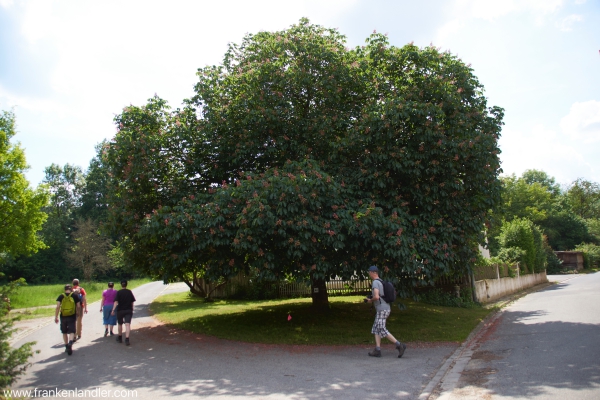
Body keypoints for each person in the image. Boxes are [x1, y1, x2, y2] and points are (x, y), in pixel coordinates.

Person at [364, 265, 406, 358]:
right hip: (384, 308)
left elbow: (376, 297)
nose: (369, 274)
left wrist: (369, 300)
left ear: (373, 272)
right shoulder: (381, 281)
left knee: (381, 328)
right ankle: (377, 349)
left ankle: (399, 345)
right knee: (376, 328)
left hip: (382, 309)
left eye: (369, 272)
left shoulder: (375, 282)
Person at [55, 284, 82, 356]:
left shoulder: (61, 296)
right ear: (71, 290)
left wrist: (56, 317)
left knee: (64, 332)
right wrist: (77, 312)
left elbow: (58, 307)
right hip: (72, 316)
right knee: (72, 331)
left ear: (64, 290)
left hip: (63, 316)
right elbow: (78, 306)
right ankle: (70, 343)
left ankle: (66, 345)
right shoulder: (74, 296)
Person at [111, 280, 136, 346]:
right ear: (126, 285)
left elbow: (116, 302)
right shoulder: (129, 292)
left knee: (120, 324)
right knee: (127, 324)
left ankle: (120, 337)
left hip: (120, 310)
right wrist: (132, 308)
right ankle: (127, 339)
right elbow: (132, 301)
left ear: (121, 285)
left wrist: (113, 310)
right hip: (128, 310)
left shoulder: (119, 292)